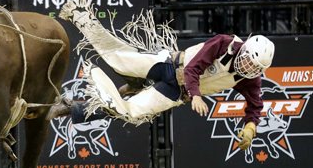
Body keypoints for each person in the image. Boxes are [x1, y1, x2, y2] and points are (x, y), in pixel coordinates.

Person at [47, 34, 275, 150]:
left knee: (128, 111)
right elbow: (194, 66)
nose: (247, 68)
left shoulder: (249, 79)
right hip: (168, 64)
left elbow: (255, 106)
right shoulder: (224, 42)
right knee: (120, 59)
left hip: (175, 92)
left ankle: (72, 109)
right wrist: (196, 94)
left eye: (254, 68)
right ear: (243, 49)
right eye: (247, 61)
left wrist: (250, 128)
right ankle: (80, 17)